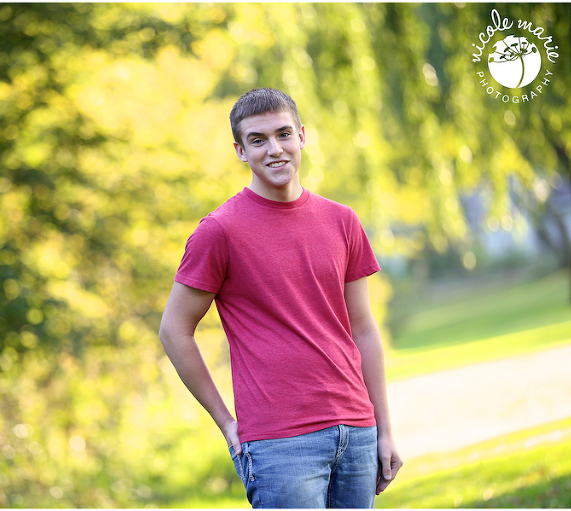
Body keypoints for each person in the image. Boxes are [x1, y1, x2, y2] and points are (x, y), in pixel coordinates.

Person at [158, 88, 403, 508]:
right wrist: (226, 423)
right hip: (279, 443)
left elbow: (362, 328)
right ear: (240, 150)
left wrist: (384, 428)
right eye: (258, 140)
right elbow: (174, 330)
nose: (275, 149)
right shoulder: (219, 231)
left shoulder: (342, 221)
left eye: (284, 134)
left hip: (356, 430)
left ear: (302, 136)